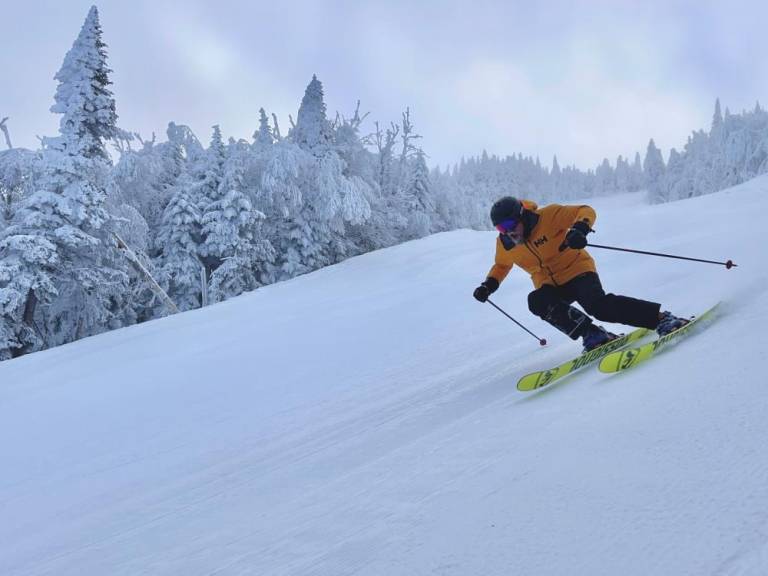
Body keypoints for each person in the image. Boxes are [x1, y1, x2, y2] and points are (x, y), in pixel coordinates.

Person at [473, 196, 689, 351]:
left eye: (510, 224)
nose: (508, 231)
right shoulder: (506, 244)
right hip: (549, 284)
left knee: (599, 307)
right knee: (536, 301)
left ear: (522, 216)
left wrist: (579, 229)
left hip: (577, 270)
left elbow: (585, 210)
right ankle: (592, 333)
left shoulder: (548, 216)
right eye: (501, 228)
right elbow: (501, 266)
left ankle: (661, 319)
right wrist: (488, 286)